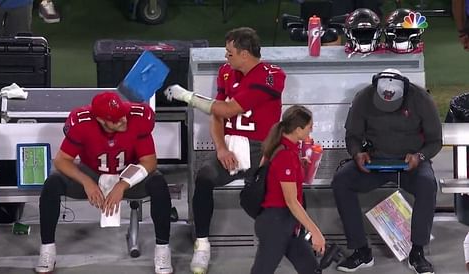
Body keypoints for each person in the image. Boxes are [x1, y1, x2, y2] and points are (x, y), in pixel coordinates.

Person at [164, 27, 286, 273]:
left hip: (263, 148)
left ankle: (294, 237)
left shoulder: (272, 76)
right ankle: (202, 244)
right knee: (205, 177)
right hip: (231, 144)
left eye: (230, 53)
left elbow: (228, 110)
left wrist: (187, 96)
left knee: (264, 199)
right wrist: (220, 148)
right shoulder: (226, 73)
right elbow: (217, 115)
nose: (226, 57)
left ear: (244, 53)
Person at [34, 92, 173, 274]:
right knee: (52, 183)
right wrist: (86, 182)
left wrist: (122, 184)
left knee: (158, 183)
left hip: (128, 174)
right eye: (116, 119)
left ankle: (162, 249)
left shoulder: (136, 118)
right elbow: (61, 160)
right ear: (100, 119)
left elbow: (149, 162)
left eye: (123, 114)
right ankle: (47, 250)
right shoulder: (82, 123)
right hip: (91, 173)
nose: (123, 120)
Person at [331, 68, 441, 274]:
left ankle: (417, 252)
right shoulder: (364, 98)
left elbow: (435, 141)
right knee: (341, 181)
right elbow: (352, 136)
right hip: (374, 160)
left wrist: (420, 157)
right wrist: (357, 154)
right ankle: (361, 251)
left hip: (411, 162)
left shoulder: (421, 99)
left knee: (427, 184)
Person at [250, 105, 325, 274]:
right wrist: (315, 232)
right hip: (276, 225)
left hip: (288, 224)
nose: (311, 129)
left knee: (310, 268)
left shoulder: (281, 147)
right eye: (309, 126)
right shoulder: (286, 156)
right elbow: (291, 201)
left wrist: (298, 164)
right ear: (298, 129)